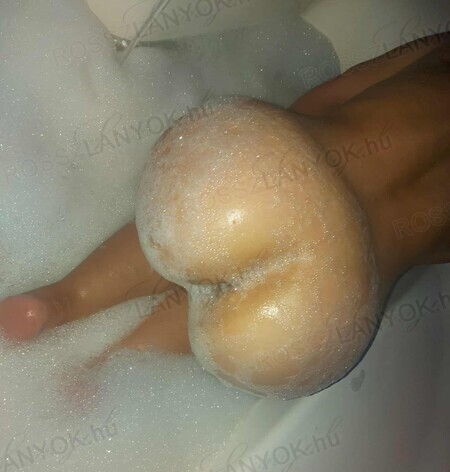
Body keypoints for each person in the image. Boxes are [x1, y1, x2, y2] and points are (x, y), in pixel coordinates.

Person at [0, 35, 449, 397]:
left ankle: (58, 300)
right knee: (227, 298)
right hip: (331, 299)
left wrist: (292, 135)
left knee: (209, 229)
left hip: (286, 168)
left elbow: (333, 94)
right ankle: (108, 368)